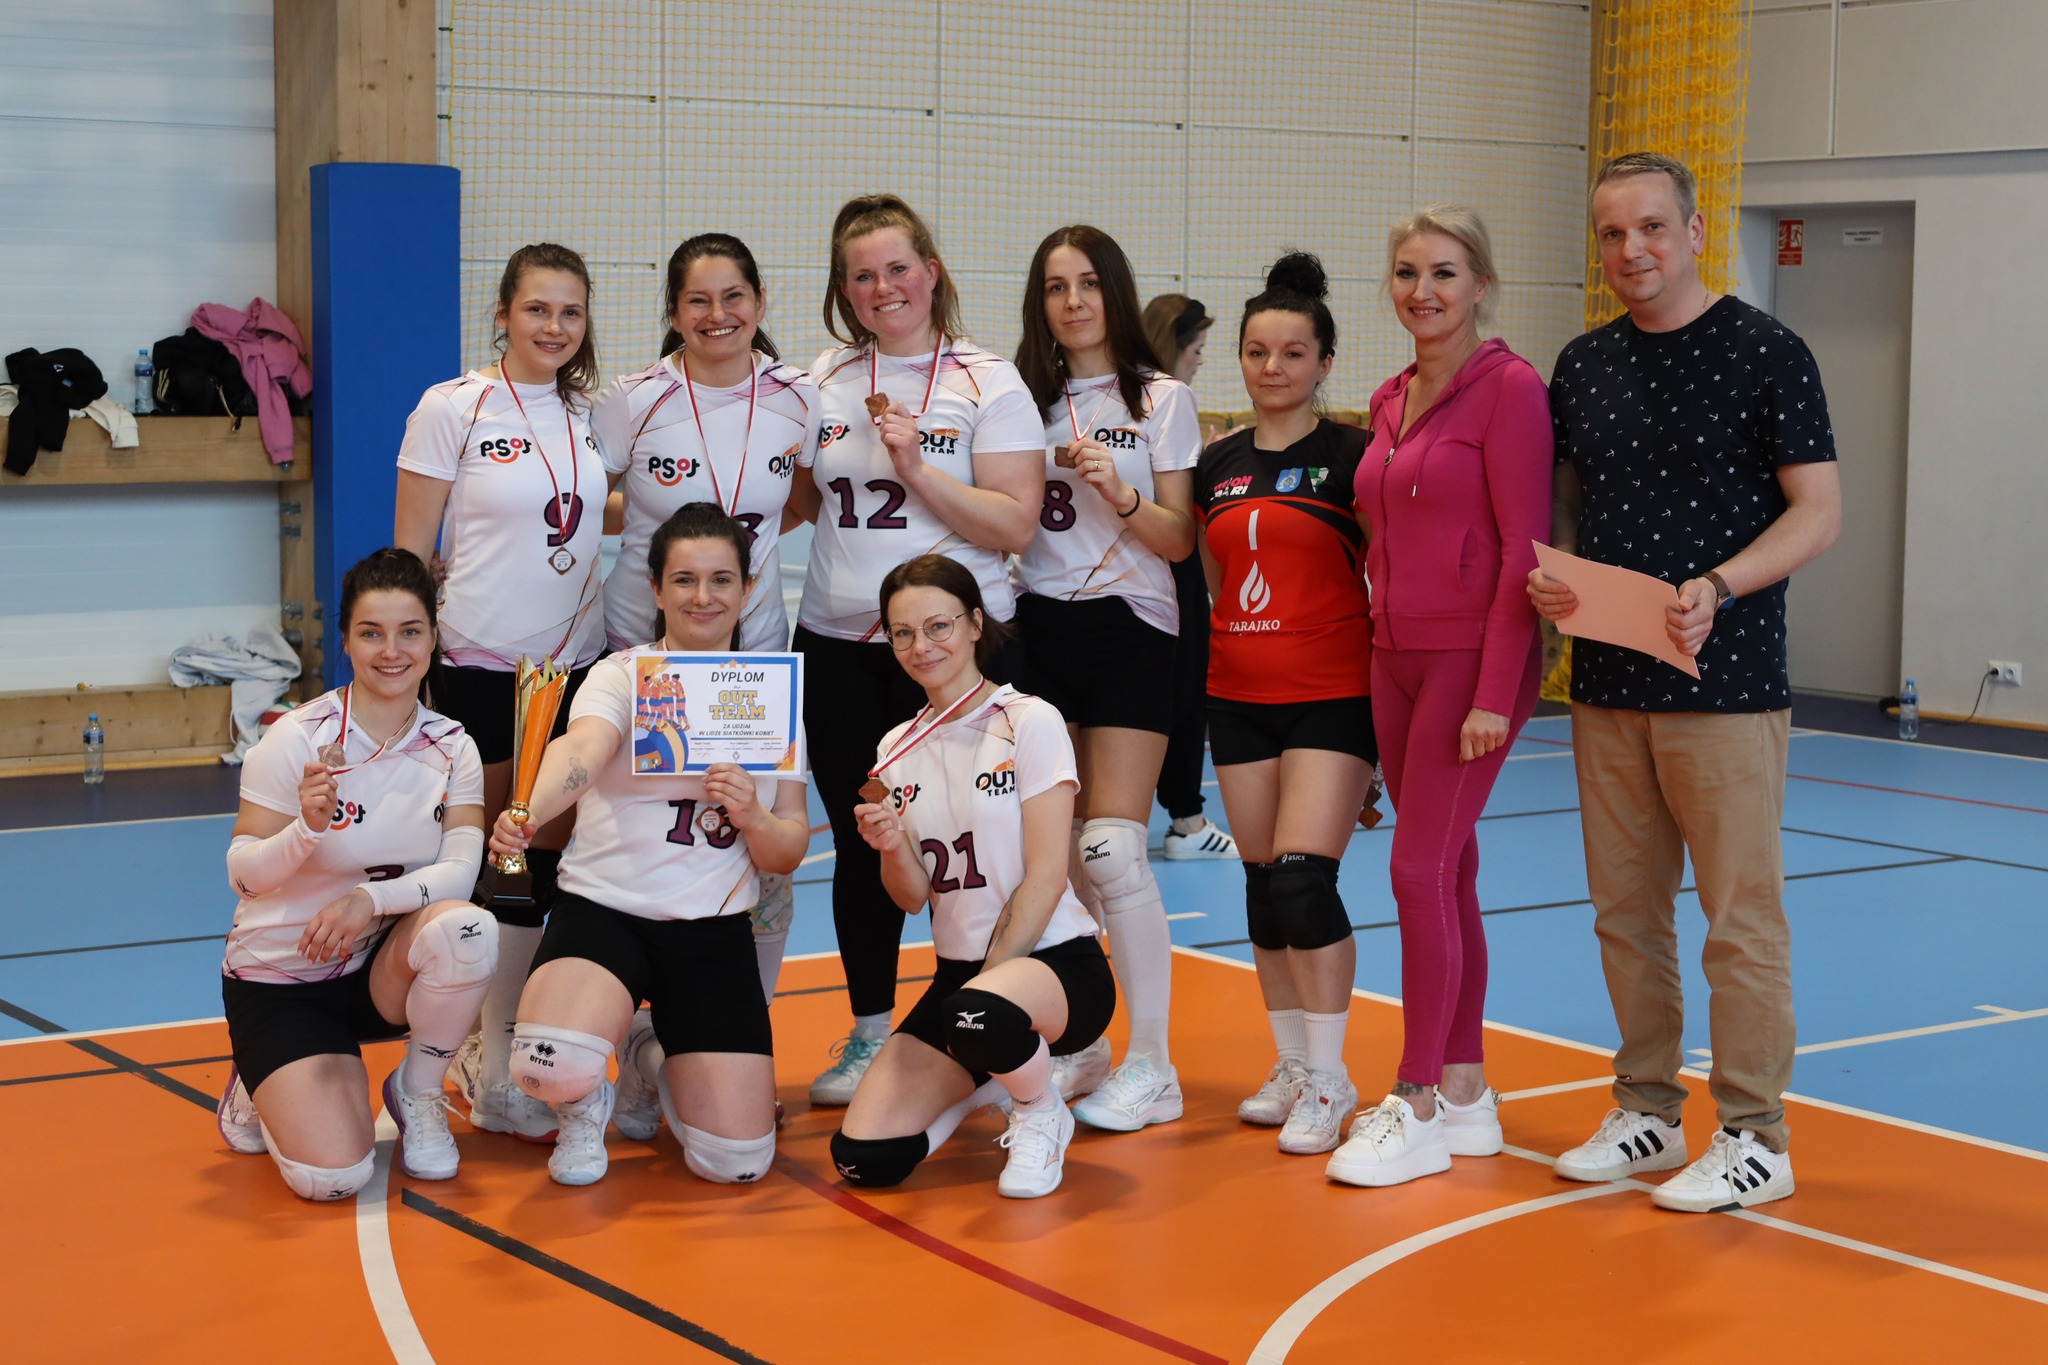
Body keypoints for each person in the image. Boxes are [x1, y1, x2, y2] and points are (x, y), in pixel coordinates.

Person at [1528, 152, 1840, 1212]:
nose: (1633, 251)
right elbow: (1569, 505)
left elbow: (1817, 512)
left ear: (1695, 230)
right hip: (1608, 683)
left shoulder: (1767, 352)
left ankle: (1754, 1133)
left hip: (1727, 683)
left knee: (1737, 919)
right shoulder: (1582, 363)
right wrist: (1555, 577)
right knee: (1625, 913)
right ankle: (1648, 1111)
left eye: (1652, 227)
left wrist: (1718, 584)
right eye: (1613, 234)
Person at [788, 195, 1045, 1107]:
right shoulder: (822, 378)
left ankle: (994, 1021)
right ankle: (869, 1033)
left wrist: (917, 467)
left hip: (957, 658)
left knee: (981, 843)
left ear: (931, 272)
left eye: (898, 268)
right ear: (843, 289)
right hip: (839, 650)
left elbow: (1014, 521)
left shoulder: (987, 380)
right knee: (870, 845)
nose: (882, 287)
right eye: (862, 275)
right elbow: (798, 499)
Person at [1323, 206, 1550, 1189]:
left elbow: (1522, 552)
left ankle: (1414, 1099)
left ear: (1480, 285)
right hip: (1394, 660)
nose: (1424, 291)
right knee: (1448, 870)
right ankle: (1466, 1090)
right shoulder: (1387, 398)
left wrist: (1494, 693)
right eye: (1408, 272)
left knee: (1416, 872)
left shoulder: (1510, 390)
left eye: (1445, 273)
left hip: (1469, 666)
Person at [488, 503, 811, 1186]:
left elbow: (787, 850)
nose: (703, 597)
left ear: (749, 588)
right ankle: (583, 1105)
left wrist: (753, 815)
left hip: (712, 929)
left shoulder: (769, 695)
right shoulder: (622, 675)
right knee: (548, 1066)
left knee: (736, 1163)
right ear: (657, 589)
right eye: (684, 580)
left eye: (721, 579)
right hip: (606, 912)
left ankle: (645, 1058)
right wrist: (529, 809)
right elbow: (583, 748)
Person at [393, 242, 608, 1143]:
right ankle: (481, 1058)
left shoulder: (591, 414)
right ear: (503, 314)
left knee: (547, 859)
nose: (554, 327)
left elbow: (587, 511)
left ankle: (513, 1043)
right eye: (537, 309)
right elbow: (410, 553)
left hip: (579, 666)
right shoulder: (453, 406)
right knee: (497, 864)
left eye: (570, 312)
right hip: (482, 669)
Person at [829, 555, 1114, 1198]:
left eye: (939, 626)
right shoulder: (895, 748)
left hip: (1054, 963)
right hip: (962, 982)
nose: (921, 646)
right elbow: (911, 898)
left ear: (976, 623)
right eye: (903, 633)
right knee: (863, 1159)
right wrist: (889, 847)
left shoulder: (1028, 720)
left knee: (977, 1015)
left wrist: (982, 991)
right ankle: (996, 1079)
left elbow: (1047, 876)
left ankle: (1040, 1110)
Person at [214, 549, 495, 1200]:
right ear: (345, 640)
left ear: (433, 637)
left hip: (375, 969)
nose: (391, 651)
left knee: (468, 929)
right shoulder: (296, 738)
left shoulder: (454, 746)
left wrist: (368, 900)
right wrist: (305, 830)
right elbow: (243, 877)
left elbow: (461, 872)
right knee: (333, 1177)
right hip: (282, 976)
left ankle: (418, 1091)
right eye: (371, 633)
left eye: (409, 631)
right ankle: (257, 1077)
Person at [591, 232, 821, 1003]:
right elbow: (585, 502)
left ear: (760, 302)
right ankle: (640, 1022)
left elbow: (804, 501)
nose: (717, 314)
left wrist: (729, 563)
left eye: (733, 297)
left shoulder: (797, 396)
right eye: (698, 300)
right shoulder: (633, 398)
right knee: (649, 841)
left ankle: (743, 1024)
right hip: (640, 647)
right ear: (673, 311)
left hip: (752, 657)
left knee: (756, 842)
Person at [1013, 226, 1199, 1129]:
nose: (1073, 301)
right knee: (1061, 858)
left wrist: (1121, 495)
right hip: (1039, 628)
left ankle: (1154, 1063)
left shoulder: (1161, 397)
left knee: (1113, 848)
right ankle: (1085, 1040)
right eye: (1056, 287)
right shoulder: (1020, 401)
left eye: (1088, 283)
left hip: (1129, 624)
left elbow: (1181, 539)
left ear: (1114, 292)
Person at [1192, 253, 1375, 1157]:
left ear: (1324, 362)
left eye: (1294, 352)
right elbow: (1217, 576)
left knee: (1305, 882)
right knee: (1265, 890)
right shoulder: (1216, 464)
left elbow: (1384, 575)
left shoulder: (1354, 459)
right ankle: (1294, 1062)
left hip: (1331, 696)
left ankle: (1334, 1077)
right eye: (1258, 351)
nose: (1273, 367)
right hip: (1238, 697)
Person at [1140, 292, 1237, 862]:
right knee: (1182, 698)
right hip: (1169, 572)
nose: (1200, 359)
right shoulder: (1166, 400)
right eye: (1196, 348)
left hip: (1143, 574)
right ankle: (1188, 821)